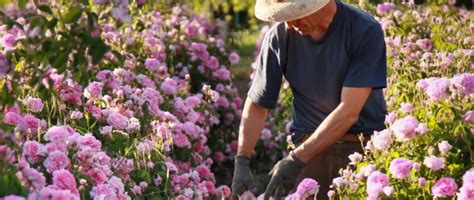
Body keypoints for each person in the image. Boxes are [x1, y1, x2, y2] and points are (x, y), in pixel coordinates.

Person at [231, 0, 388, 199]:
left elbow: (349, 111)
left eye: (294, 13)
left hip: (360, 149)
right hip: (310, 148)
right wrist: (242, 160)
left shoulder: (363, 30)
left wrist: (296, 159)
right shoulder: (280, 36)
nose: (289, 23)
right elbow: (257, 102)